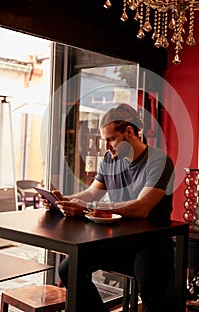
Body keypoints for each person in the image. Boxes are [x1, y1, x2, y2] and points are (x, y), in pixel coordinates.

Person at [41, 103, 175, 312]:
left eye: (111, 139)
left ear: (129, 132)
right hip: (117, 241)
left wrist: (87, 208)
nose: (107, 147)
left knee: (149, 288)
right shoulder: (110, 159)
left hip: (151, 243)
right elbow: (92, 193)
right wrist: (63, 200)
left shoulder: (159, 161)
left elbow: (141, 208)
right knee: (68, 269)